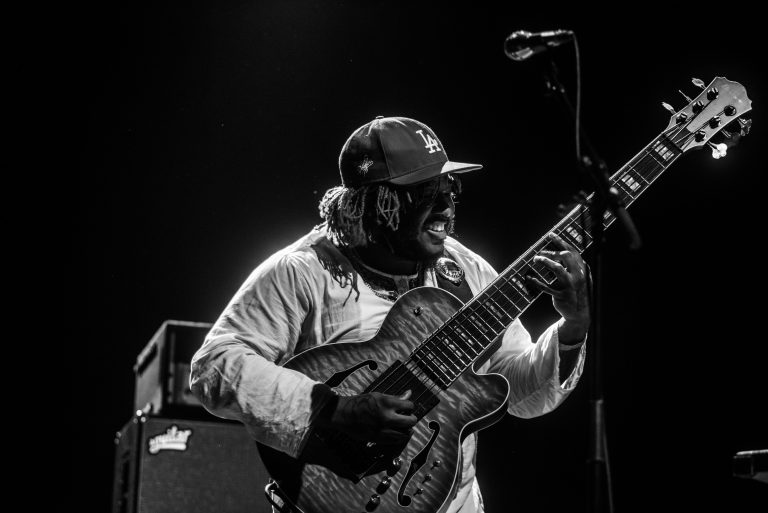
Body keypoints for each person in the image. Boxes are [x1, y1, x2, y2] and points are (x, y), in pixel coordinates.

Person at [189, 116, 590, 513]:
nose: (445, 208)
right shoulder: (302, 271)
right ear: (373, 203)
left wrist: (572, 327)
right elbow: (215, 365)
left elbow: (519, 391)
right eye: (425, 192)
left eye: (448, 188)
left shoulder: (465, 269)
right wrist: (336, 409)